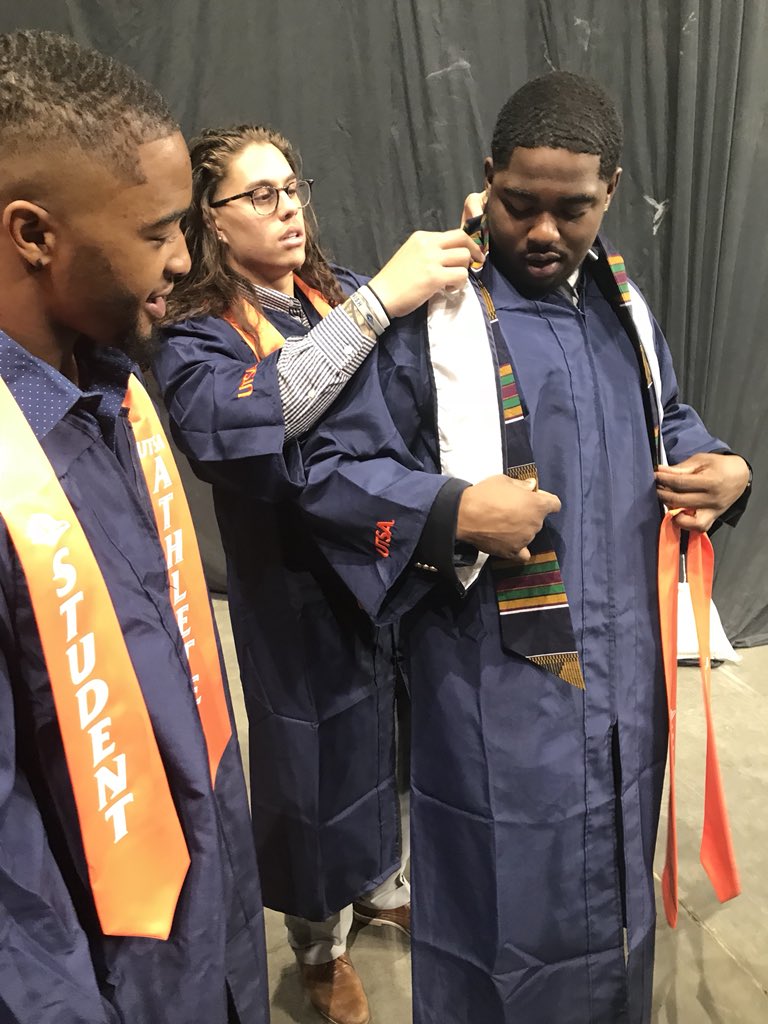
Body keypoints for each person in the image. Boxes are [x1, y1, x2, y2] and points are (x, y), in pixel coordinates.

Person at [296, 72, 751, 1024]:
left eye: (572, 209)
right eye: (519, 204)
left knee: (614, 902)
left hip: (625, 679)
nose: (543, 232)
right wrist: (452, 510)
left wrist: (724, 470)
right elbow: (332, 470)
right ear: (488, 175)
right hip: (493, 683)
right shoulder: (433, 314)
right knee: (499, 913)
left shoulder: (622, 306)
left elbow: (667, 418)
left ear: (611, 191)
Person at [153, 123, 481, 1024]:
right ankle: (318, 947)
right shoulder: (194, 334)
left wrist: (471, 248)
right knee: (314, 771)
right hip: (297, 593)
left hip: (386, 562)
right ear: (211, 218)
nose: (288, 207)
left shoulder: (322, 292)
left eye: (292, 187)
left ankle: (382, 885)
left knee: (396, 744)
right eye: (260, 194)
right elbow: (260, 412)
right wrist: (376, 306)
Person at [0, 31, 268, 1024]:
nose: (185, 260)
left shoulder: (116, 394)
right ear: (35, 234)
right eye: (157, 233)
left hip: (206, 934)